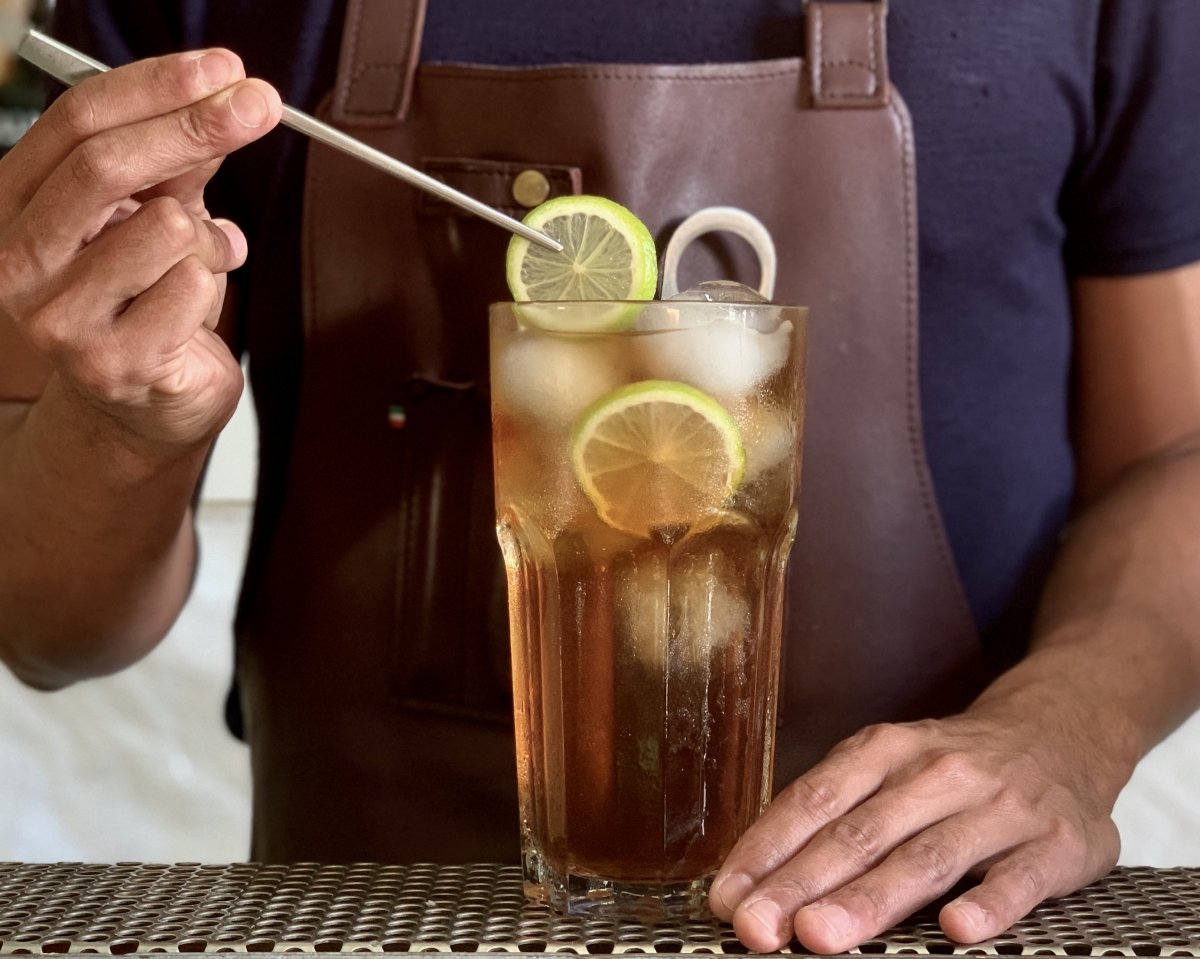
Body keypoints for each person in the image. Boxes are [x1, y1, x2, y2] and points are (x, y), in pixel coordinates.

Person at [2, 0, 1199, 953]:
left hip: (925, 923)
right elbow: (46, 628)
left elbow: (1172, 459)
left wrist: (1064, 729)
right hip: (377, 924)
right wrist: (122, 433)